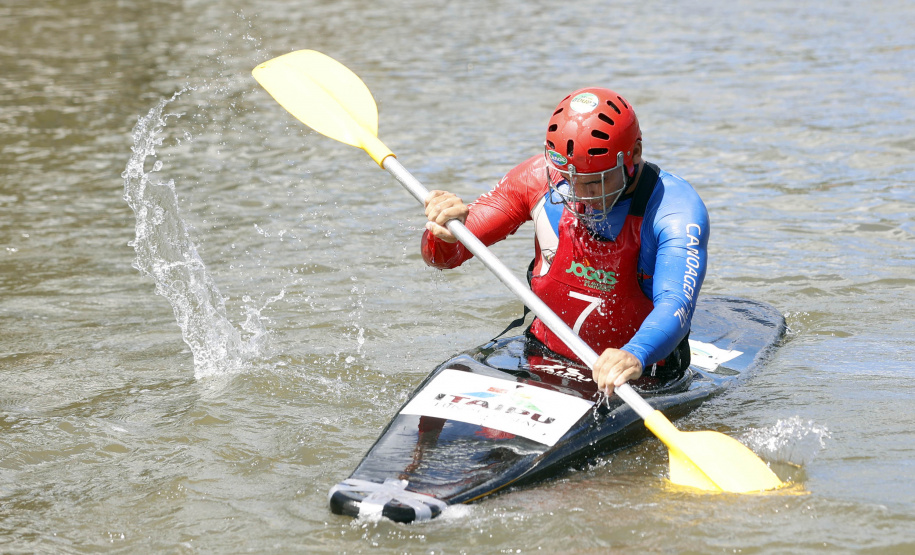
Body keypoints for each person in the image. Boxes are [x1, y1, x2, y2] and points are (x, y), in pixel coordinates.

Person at [422, 88, 709, 397]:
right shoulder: (537, 178)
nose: (579, 195)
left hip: (636, 374)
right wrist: (444, 231)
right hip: (542, 354)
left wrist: (634, 354)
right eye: (568, 179)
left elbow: (676, 305)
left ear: (634, 154)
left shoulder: (675, 208)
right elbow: (442, 258)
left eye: (594, 181)